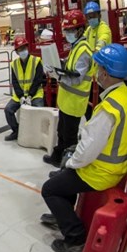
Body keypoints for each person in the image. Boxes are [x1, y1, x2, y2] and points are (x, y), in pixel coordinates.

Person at [40, 44, 127, 252]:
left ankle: (75, 238)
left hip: (100, 171)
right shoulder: (123, 95)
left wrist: (70, 162)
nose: (96, 73)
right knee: (65, 174)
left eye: (98, 69)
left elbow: (87, 151)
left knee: (50, 188)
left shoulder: (108, 110)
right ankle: (63, 215)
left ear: (105, 73)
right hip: (116, 167)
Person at [44, 9, 95, 167]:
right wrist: (60, 64)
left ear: (80, 30)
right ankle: (58, 157)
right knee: (61, 133)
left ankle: (66, 168)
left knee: (70, 138)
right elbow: (71, 67)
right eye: (67, 30)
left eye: (71, 30)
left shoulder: (84, 50)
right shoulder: (76, 46)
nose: (68, 33)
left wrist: (57, 76)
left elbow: (76, 79)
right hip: (66, 101)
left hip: (75, 103)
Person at [4, 36, 46, 141]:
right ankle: (16, 131)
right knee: (8, 110)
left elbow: (38, 80)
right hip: (20, 95)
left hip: (35, 94)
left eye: (24, 48)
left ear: (27, 48)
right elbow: (15, 82)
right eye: (20, 49)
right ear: (17, 52)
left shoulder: (36, 61)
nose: (22, 51)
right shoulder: (14, 64)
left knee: (39, 109)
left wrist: (30, 95)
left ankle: (39, 133)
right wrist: (21, 96)